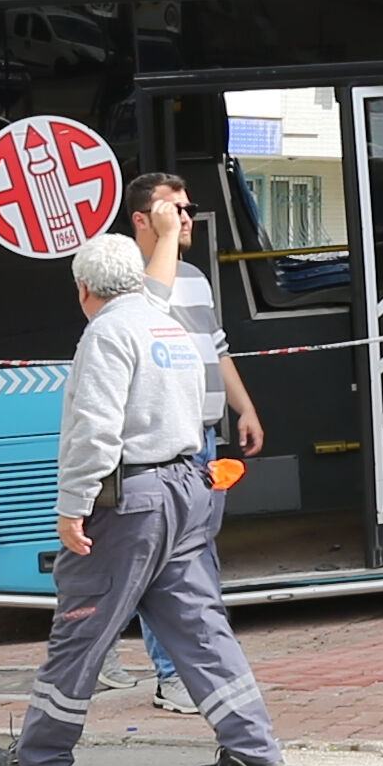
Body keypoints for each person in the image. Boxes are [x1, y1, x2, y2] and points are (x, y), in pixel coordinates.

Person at [0, 233, 281, 766]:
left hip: (132, 499)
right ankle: (250, 746)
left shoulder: (107, 332)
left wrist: (71, 508)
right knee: (199, 623)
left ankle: (40, 758)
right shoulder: (172, 327)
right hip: (188, 488)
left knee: (80, 627)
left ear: (84, 289)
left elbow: (95, 430)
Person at [120, 173, 264, 708]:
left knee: (196, 559)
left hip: (201, 439)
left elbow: (216, 347)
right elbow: (143, 319)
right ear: (142, 219)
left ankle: (192, 671)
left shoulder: (196, 279)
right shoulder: (128, 279)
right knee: (171, 565)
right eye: (171, 210)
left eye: (187, 207)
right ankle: (172, 674)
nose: (185, 219)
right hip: (163, 448)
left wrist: (242, 407)